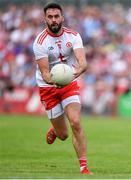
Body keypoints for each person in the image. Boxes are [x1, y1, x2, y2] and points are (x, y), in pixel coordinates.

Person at [33, 2, 93, 175]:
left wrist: (75, 73)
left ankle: (84, 167)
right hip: (48, 87)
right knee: (64, 135)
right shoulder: (40, 42)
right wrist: (55, 81)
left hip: (69, 82)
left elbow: (83, 63)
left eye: (56, 16)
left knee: (75, 121)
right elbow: (45, 73)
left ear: (62, 17)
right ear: (45, 19)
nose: (54, 20)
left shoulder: (73, 36)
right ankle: (56, 130)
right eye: (50, 17)